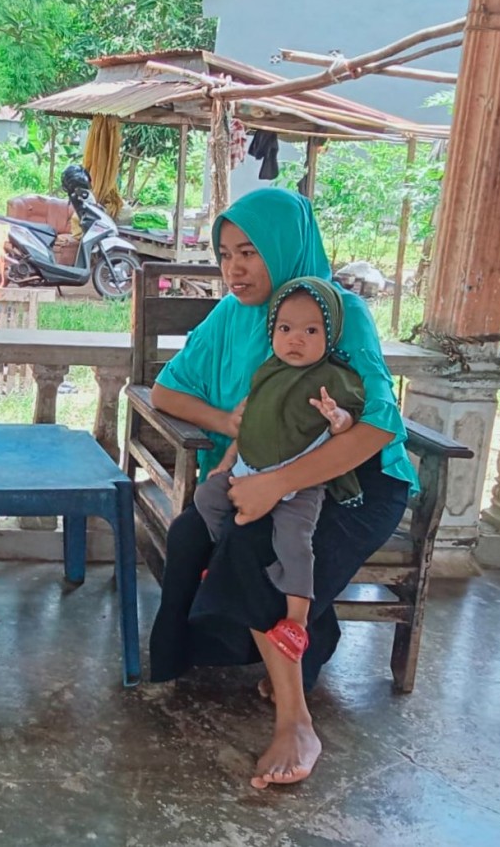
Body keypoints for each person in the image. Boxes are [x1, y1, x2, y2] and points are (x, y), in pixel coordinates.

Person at [148, 189, 417, 790]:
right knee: (217, 531)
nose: (234, 268)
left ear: (284, 247)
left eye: (250, 252)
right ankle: (306, 640)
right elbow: (167, 390)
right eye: (224, 254)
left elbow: (378, 425)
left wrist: (277, 483)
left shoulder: (337, 311)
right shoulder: (232, 313)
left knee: (257, 544)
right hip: (264, 471)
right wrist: (228, 425)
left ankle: (295, 721)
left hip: (357, 479)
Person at [194, 277, 365, 664]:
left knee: (294, 542)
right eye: (285, 329)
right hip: (247, 472)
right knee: (207, 497)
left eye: (310, 330)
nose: (296, 340)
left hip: (299, 485)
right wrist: (224, 465)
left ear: (330, 334)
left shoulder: (334, 378)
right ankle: (221, 563)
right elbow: (249, 425)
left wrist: (336, 416)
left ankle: (297, 620)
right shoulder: (267, 373)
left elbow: (348, 426)